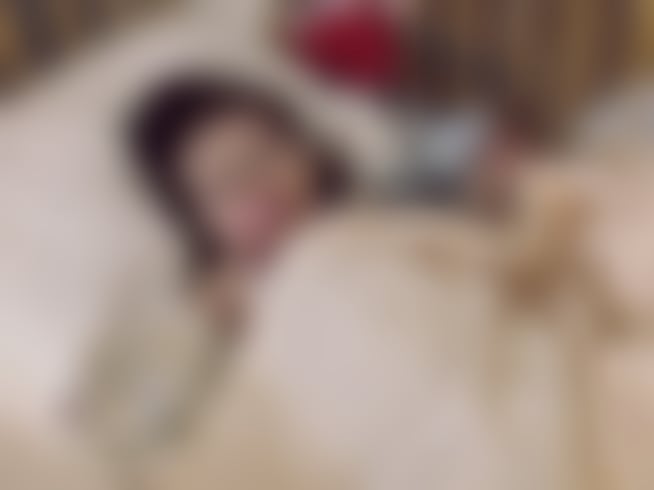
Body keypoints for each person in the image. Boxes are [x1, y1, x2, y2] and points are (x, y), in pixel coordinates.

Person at [130, 74, 352, 329]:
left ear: (308, 152)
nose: (259, 187)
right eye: (227, 183)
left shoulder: (372, 217)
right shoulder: (232, 302)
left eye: (262, 157)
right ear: (201, 223)